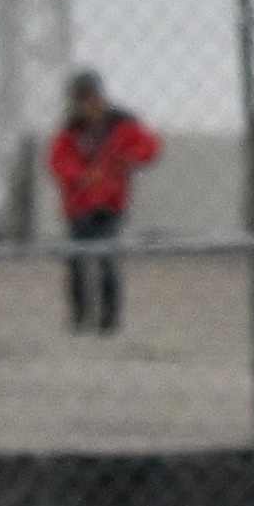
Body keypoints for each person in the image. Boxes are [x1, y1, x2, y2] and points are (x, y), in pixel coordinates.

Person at [45, 67, 160, 336]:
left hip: (110, 203)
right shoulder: (70, 130)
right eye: (82, 99)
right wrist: (81, 176)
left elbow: (150, 147)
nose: (89, 105)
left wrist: (127, 160)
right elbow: (57, 162)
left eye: (92, 97)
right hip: (79, 205)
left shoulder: (121, 124)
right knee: (76, 260)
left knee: (107, 259)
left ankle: (108, 318)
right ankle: (79, 316)